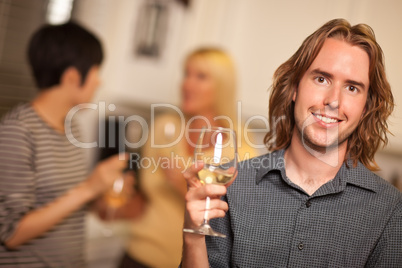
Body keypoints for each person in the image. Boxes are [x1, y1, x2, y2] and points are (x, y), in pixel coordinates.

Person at [182, 19, 402, 267]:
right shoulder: (232, 185)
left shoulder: (391, 210)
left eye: (352, 87)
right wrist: (193, 238)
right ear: (295, 87)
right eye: (322, 79)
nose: (333, 101)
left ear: (365, 108)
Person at [0, 22, 128, 267]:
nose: (99, 82)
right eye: (95, 72)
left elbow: (63, 202)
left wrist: (101, 192)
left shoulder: (72, 127)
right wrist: (89, 188)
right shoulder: (17, 131)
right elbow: (11, 234)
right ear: (72, 77)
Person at [117, 48, 259, 267]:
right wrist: (113, 200)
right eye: (186, 74)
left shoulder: (242, 146)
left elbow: (237, 221)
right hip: (138, 255)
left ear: (222, 86)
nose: (187, 84)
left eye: (200, 77)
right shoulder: (165, 127)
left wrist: (180, 185)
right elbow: (144, 198)